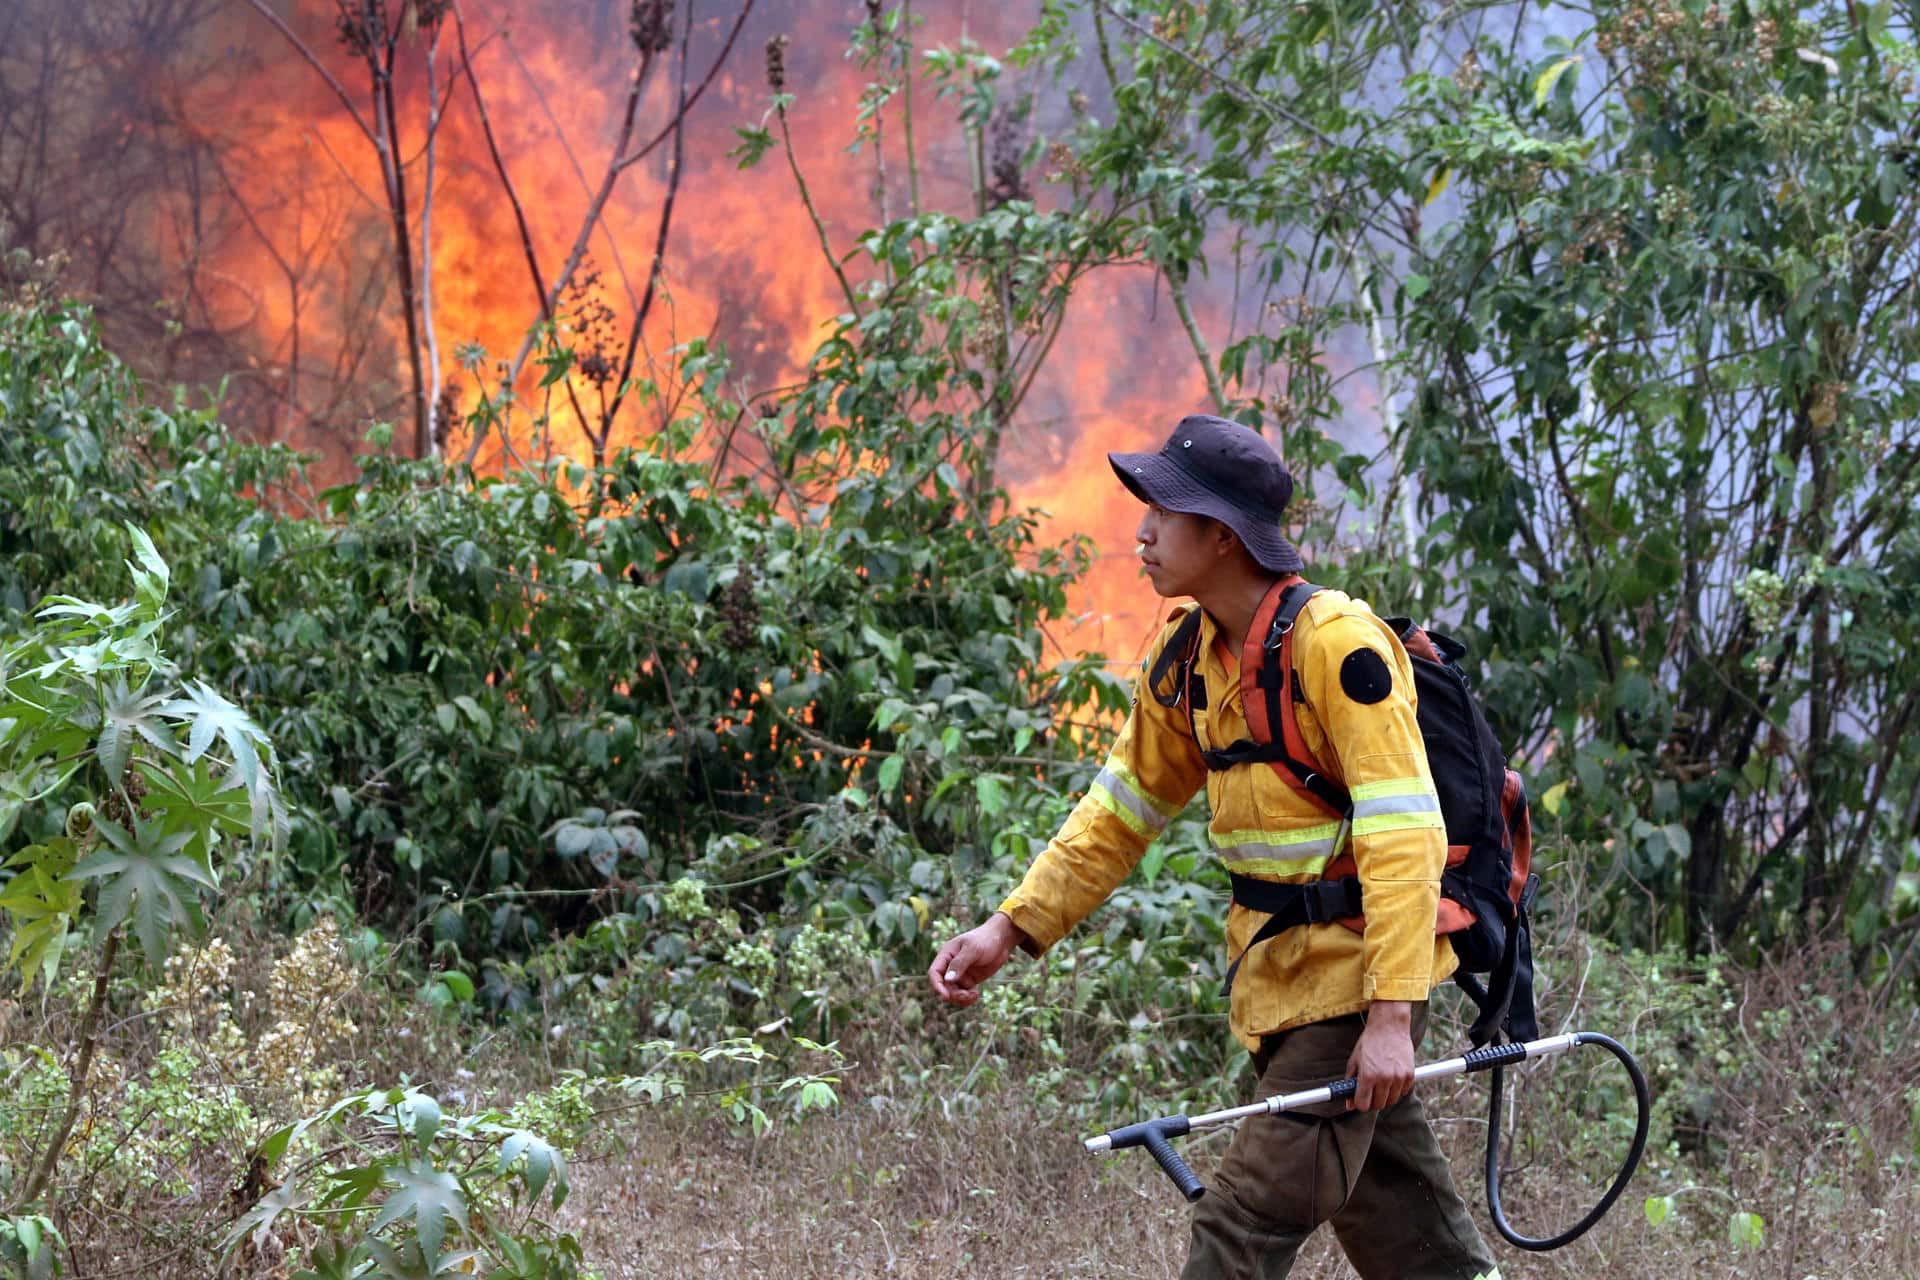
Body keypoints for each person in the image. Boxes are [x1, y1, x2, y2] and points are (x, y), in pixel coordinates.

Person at [928, 415, 1498, 1280]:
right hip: (1275, 986)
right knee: (1418, 1247)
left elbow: (1403, 833)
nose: (1143, 533)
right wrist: (1009, 929)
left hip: (1352, 986)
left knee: (1237, 1226)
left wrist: (1389, 1019)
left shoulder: (1336, 647)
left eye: (1164, 512)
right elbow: (1120, 812)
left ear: (1223, 538)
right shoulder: (1184, 660)